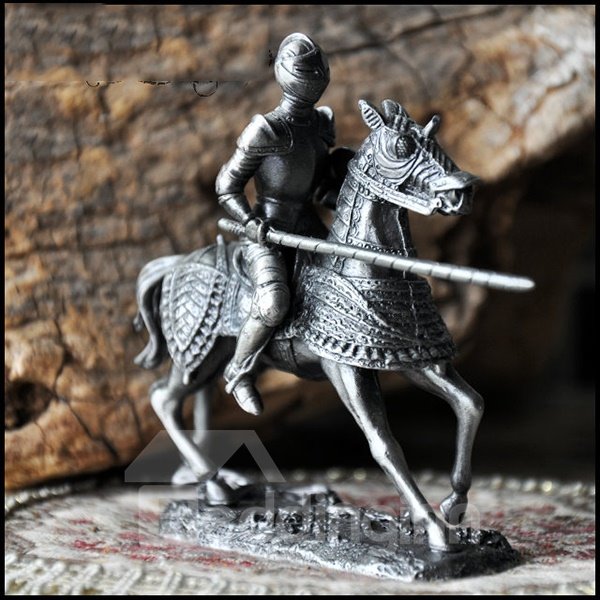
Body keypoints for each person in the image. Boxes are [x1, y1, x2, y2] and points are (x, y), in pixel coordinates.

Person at [215, 33, 340, 416]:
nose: (313, 82)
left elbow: (318, 185)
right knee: (272, 302)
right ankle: (238, 371)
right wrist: (250, 221)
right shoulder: (265, 130)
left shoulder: (322, 124)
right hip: (267, 229)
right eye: (307, 74)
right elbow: (226, 186)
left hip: (308, 226)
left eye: (317, 73)